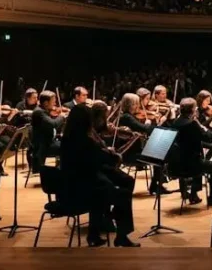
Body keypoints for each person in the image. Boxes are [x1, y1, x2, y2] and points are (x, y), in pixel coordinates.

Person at [60, 103, 139, 247]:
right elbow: (105, 159)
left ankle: (95, 232)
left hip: (71, 185)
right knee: (123, 195)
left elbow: (94, 160)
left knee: (120, 183)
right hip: (83, 189)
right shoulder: (85, 140)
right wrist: (114, 155)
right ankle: (120, 234)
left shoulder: (67, 138)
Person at [166, 97, 212, 204]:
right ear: (193, 110)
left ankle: (187, 192)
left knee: (190, 156)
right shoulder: (192, 124)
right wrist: (201, 125)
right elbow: (209, 138)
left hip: (175, 165)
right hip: (191, 166)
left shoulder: (175, 122)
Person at [30, 90, 65, 167]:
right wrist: (61, 116)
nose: (55, 104)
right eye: (53, 102)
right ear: (46, 103)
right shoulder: (39, 112)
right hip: (43, 145)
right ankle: (62, 169)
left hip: (49, 141)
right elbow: (53, 124)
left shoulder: (44, 110)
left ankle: (60, 167)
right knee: (68, 147)